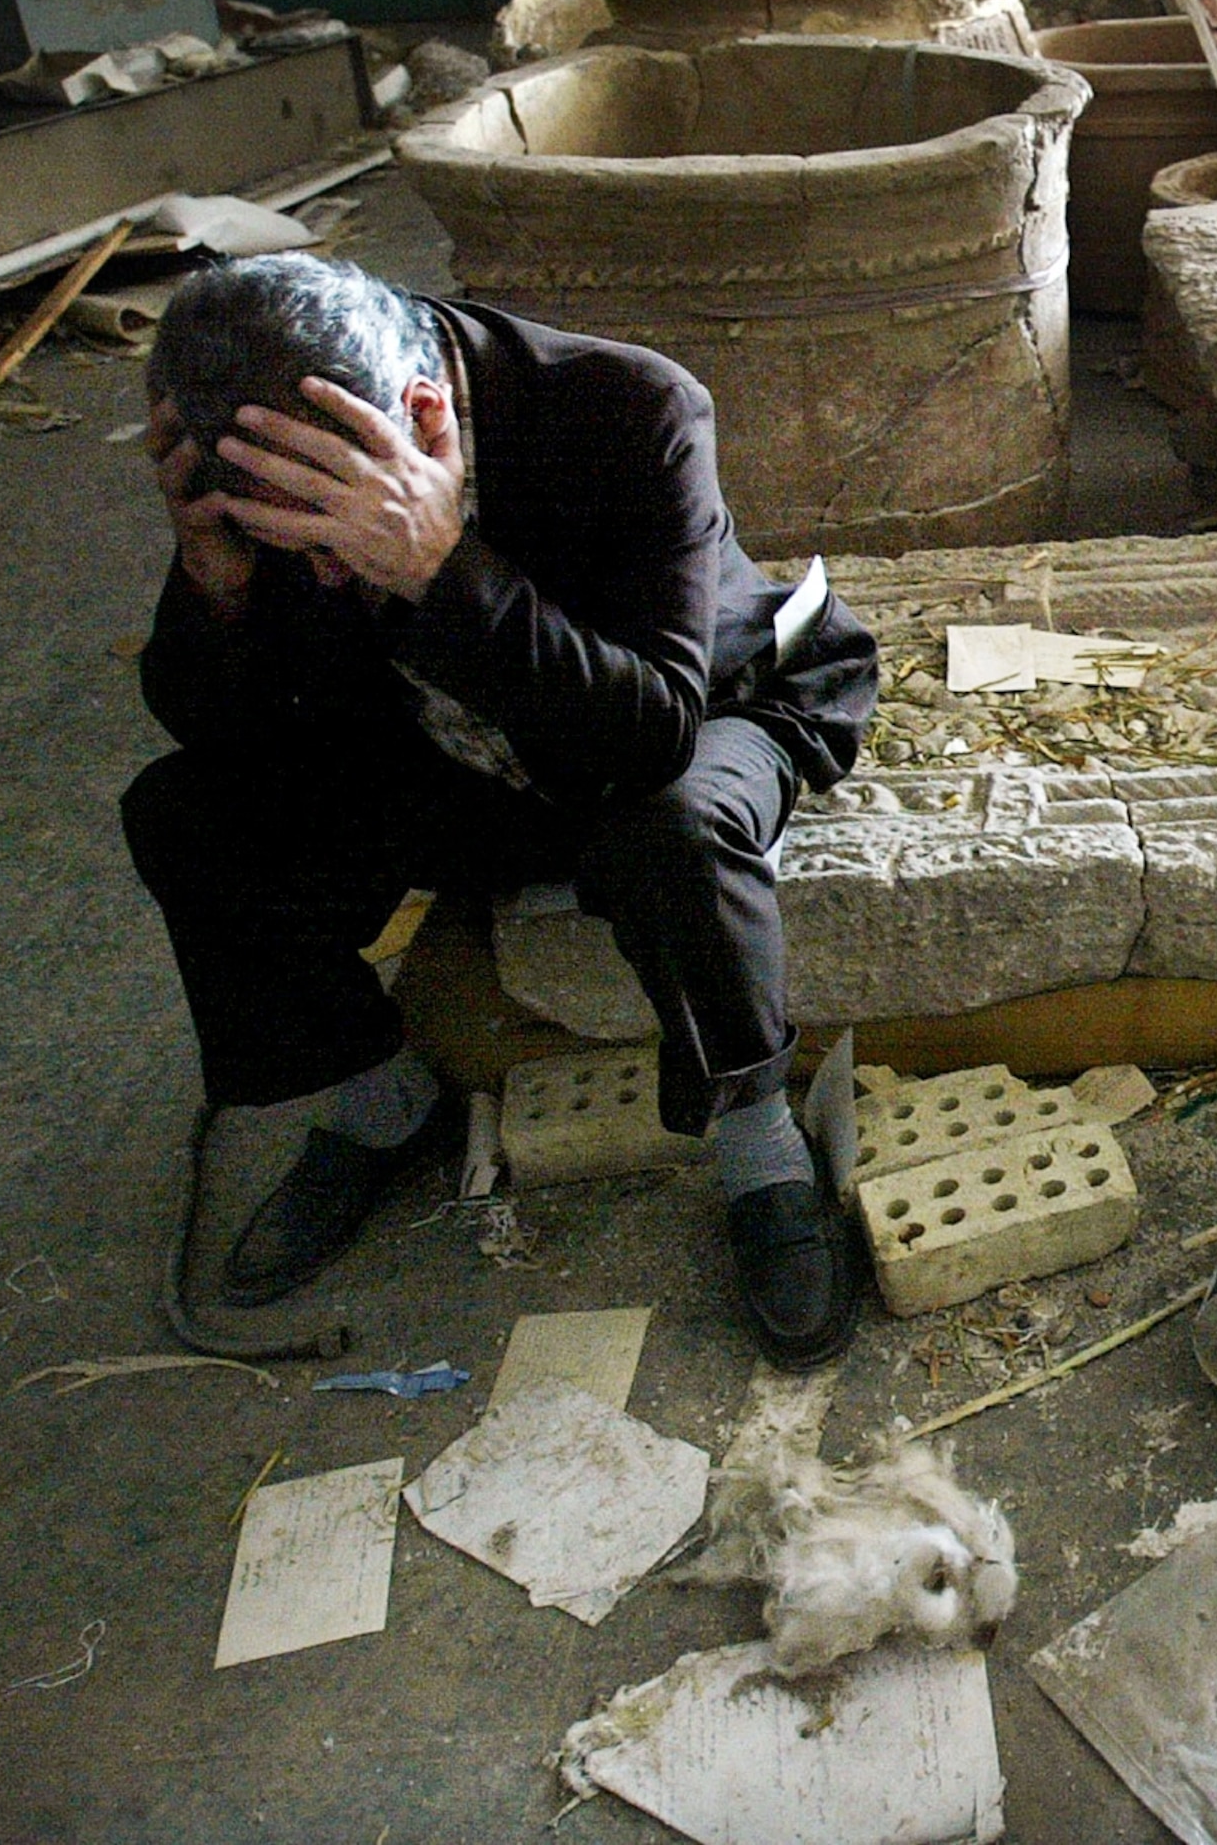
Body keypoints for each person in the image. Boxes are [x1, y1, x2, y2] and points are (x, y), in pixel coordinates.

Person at [119, 253, 881, 1368]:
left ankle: (756, 1133)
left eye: (331, 541)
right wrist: (216, 584)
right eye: (294, 548)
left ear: (424, 418)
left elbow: (650, 732)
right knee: (185, 812)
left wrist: (439, 566)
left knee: (669, 826)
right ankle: (388, 1097)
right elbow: (215, 731)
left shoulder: (629, 406)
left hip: (691, 707)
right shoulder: (271, 444)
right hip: (446, 734)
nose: (321, 578)